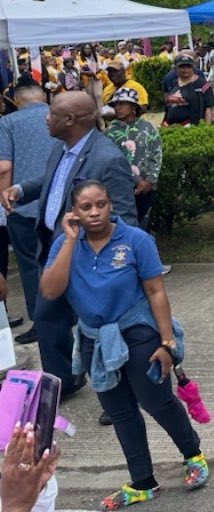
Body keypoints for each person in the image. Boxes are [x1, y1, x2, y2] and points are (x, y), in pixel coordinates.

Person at [40, 179, 208, 509]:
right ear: (74, 211)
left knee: (155, 401)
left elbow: (155, 291)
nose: (94, 212)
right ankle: (143, 481)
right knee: (119, 412)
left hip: (138, 332)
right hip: (95, 339)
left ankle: (194, 455)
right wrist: (71, 242)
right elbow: (49, 291)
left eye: (100, 204)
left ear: (110, 205)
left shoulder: (135, 241)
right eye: (85, 207)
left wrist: (168, 343)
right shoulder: (65, 244)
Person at [0, 91, 139, 396]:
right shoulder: (62, 149)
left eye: (51, 114)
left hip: (90, 258)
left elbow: (126, 216)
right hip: (57, 252)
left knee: (103, 327)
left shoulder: (107, 158)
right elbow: (53, 183)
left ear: (70, 120)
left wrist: (113, 263)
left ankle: (120, 394)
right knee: (48, 319)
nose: (45, 119)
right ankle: (63, 383)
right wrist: (21, 189)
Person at [0, 83, 58, 345]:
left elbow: (4, 167)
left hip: (22, 206)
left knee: (30, 265)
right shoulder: (60, 115)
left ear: (15, 100)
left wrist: (5, 201)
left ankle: (42, 321)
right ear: (44, 97)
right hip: (59, 203)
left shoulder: (9, 123)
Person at [104, 88, 163, 231]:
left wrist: (149, 180)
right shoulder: (110, 132)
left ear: (133, 107)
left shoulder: (148, 128)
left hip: (147, 188)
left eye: (122, 103)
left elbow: (156, 153)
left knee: (143, 225)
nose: (118, 107)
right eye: (115, 104)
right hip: (121, 189)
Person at [161, 55, 214, 126]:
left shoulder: (202, 84)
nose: (185, 69)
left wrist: (207, 129)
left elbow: (209, 108)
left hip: (192, 128)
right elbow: (167, 105)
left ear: (193, 68)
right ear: (176, 68)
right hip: (171, 127)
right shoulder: (174, 83)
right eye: (182, 67)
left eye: (188, 66)